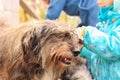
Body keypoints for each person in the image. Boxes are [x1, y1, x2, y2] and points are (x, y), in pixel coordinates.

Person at [73, 0, 120, 79]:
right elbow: (99, 53)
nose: (98, 2)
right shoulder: (104, 23)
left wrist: (88, 34)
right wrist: (81, 49)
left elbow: (114, 49)